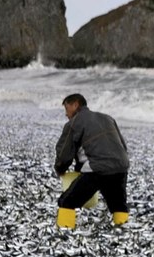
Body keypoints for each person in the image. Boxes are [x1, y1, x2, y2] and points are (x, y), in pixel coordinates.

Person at [54, 93, 129, 228]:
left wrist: (60, 169)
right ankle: (123, 228)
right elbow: (122, 146)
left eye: (67, 108)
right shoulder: (108, 118)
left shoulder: (74, 122)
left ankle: (64, 233)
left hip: (97, 169)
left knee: (67, 201)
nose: (66, 114)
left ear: (75, 104)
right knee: (118, 204)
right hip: (121, 166)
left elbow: (65, 152)